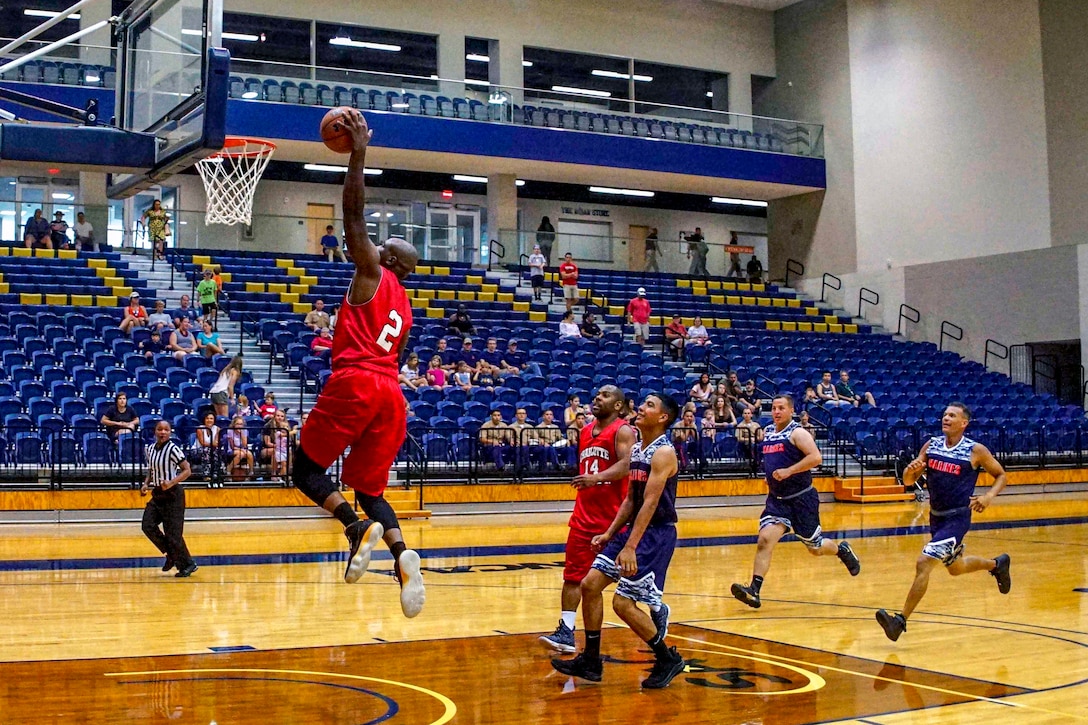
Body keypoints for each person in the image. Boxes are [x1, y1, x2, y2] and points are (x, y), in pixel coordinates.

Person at [288, 109, 424, 618]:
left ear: (388, 260)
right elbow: (399, 354)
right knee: (370, 488)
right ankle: (401, 552)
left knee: (303, 466)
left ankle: (352, 526)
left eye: (382, 245)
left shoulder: (371, 271)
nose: (375, 242)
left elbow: (353, 216)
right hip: (392, 394)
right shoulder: (407, 308)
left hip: (358, 380)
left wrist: (359, 151)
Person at [552, 393, 685, 689]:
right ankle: (591, 659)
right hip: (633, 531)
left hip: (655, 534)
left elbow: (649, 504)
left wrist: (630, 546)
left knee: (622, 604)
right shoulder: (639, 448)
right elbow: (630, 499)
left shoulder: (663, 453)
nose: (642, 407)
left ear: (663, 418)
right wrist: (610, 533)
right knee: (589, 584)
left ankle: (667, 658)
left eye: (650, 405)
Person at [875, 403, 1011, 642]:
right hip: (935, 517)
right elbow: (908, 480)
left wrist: (988, 496)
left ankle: (900, 621)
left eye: (952, 415)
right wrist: (911, 469)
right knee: (956, 568)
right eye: (945, 414)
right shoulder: (932, 445)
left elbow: (1001, 475)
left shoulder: (975, 450)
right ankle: (996, 565)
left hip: (957, 518)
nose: (945, 418)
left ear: (963, 423)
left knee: (924, 562)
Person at [731, 395, 861, 609]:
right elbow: (773, 459)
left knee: (816, 548)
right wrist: (770, 474)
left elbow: (816, 458)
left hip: (801, 499)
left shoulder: (797, 432)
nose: (776, 411)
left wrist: (789, 471)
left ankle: (841, 550)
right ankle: (754, 590)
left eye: (781, 408)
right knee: (764, 539)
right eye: (773, 408)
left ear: (791, 411)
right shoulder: (769, 432)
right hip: (778, 500)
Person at [540, 385, 635, 654]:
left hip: (613, 521)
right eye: (596, 395)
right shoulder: (583, 431)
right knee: (573, 577)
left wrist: (596, 477)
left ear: (618, 405)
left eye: (604, 396)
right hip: (583, 518)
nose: (597, 398)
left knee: (632, 583)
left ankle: (657, 612)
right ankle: (566, 631)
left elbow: (628, 464)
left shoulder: (622, 430)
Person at [141, 420, 196, 577]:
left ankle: (187, 564)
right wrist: (146, 484)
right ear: (155, 431)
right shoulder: (150, 449)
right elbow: (151, 470)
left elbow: (187, 470)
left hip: (173, 494)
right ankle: (170, 554)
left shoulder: (173, 449)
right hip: (158, 494)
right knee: (147, 525)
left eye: (166, 430)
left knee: (173, 534)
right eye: (160, 429)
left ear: (170, 432)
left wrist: (171, 482)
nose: (162, 432)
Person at [223, 416, 255, 482]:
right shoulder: (230, 431)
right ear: (234, 424)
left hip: (242, 449)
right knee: (241, 454)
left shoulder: (245, 431)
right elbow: (232, 446)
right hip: (232, 450)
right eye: (237, 424)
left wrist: (241, 434)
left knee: (249, 454)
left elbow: (244, 444)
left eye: (241, 424)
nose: (239, 426)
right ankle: (228, 469)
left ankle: (251, 472)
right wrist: (241, 450)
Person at [261, 409, 291, 480]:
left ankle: (286, 473)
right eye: (278, 416)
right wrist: (278, 446)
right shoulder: (268, 426)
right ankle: (273, 474)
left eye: (282, 416)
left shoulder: (286, 426)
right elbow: (267, 443)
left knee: (289, 451)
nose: (280, 418)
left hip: (282, 448)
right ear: (274, 416)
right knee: (275, 451)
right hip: (267, 449)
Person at [194, 411, 221, 483]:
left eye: (211, 418)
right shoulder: (200, 429)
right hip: (198, 449)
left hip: (212, 449)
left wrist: (212, 444)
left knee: (215, 451)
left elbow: (217, 443)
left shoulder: (217, 429)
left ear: (214, 420)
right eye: (207, 418)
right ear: (204, 420)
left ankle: (215, 473)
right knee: (207, 450)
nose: (209, 420)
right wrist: (213, 444)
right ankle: (206, 474)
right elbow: (203, 443)